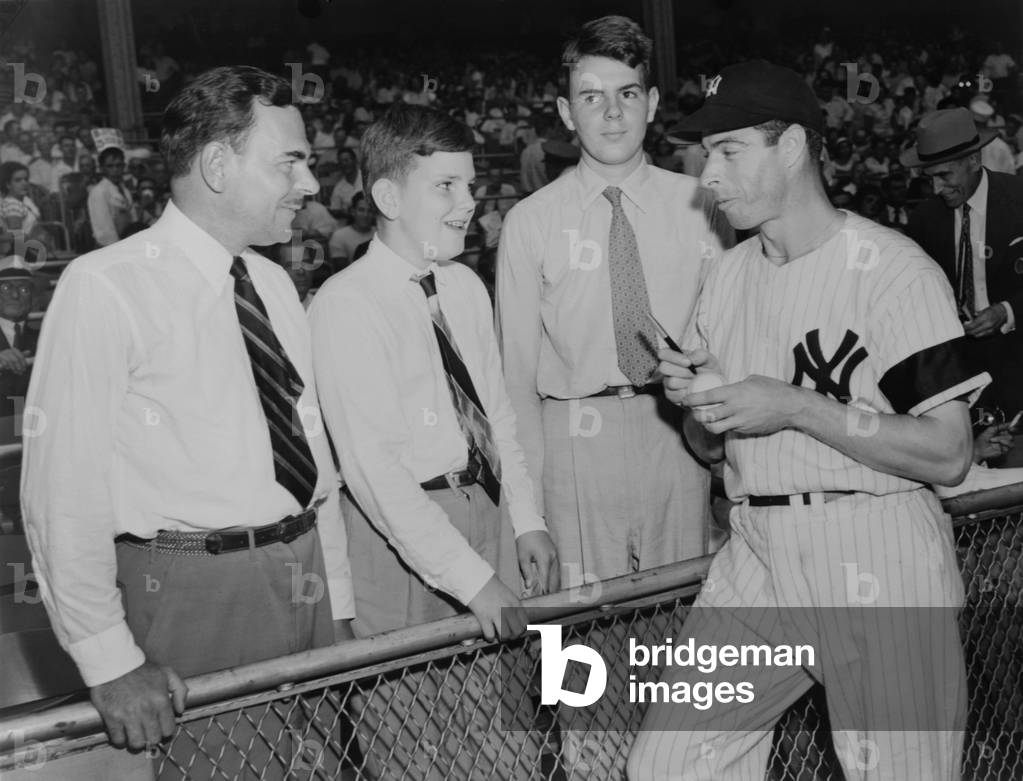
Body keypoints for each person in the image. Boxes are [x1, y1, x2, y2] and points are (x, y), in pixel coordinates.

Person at [628, 59, 985, 781]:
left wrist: (795, 406)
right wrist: (702, 406)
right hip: (757, 552)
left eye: (729, 151)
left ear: (791, 145)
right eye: (706, 155)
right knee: (666, 765)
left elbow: (948, 453)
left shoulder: (893, 270)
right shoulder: (725, 277)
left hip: (875, 552)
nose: (709, 175)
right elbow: (709, 448)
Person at [23, 65, 353, 779]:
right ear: (215, 164)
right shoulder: (105, 287)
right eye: (289, 162)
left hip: (305, 576)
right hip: (194, 592)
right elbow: (61, 492)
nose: (310, 184)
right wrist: (109, 658)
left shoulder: (270, 282)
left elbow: (311, 461)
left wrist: (340, 603)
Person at [310, 102, 559, 779]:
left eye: (471, 186)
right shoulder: (344, 304)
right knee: (418, 744)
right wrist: (474, 582)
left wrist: (526, 519)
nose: (468, 204)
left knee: (503, 731)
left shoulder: (463, 286)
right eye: (445, 186)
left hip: (484, 510)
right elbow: (374, 472)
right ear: (388, 195)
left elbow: (495, 412)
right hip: (400, 535)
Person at [497, 15, 731, 592]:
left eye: (627, 94)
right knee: (582, 638)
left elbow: (730, 344)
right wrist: (527, 514)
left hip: (675, 431)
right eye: (591, 97)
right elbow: (516, 381)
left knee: (679, 619)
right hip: (573, 438)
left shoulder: (705, 206)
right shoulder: (531, 222)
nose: (611, 113)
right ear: (564, 111)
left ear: (652, 103)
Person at [904, 108, 1023, 464]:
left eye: (944, 175)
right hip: (964, 376)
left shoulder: (1020, 198)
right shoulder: (925, 218)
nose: (937, 189)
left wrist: (1007, 311)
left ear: (973, 160)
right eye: (930, 179)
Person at [0, 256, 38, 421]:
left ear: (32, 299)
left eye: (24, 289)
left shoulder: (45, 339)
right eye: (6, 287)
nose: (15, 295)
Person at [87, 145, 138, 246]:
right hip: (111, 248)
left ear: (124, 166)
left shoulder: (125, 190)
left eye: (118, 165)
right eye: (110, 166)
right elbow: (104, 229)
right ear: (102, 168)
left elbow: (133, 221)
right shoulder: (99, 192)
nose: (115, 170)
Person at [327, 190, 374, 271]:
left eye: (369, 211)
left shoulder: (381, 233)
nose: (365, 215)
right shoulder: (339, 236)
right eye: (361, 210)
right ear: (353, 211)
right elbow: (341, 271)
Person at [0, 162, 41, 236]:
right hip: (27, 246)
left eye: (26, 179)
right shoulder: (12, 203)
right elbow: (17, 238)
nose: (24, 183)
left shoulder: (25, 199)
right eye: (18, 180)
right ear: (8, 184)